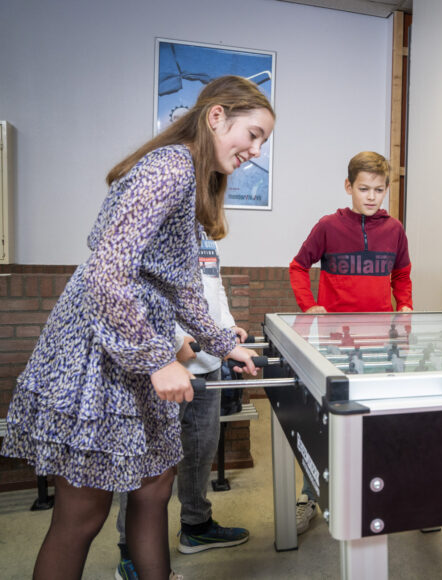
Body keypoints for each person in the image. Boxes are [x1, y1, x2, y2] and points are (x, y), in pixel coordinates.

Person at [1, 75, 273, 580]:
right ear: (217, 117)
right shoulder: (169, 166)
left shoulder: (191, 180)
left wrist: (221, 344)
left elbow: (182, 287)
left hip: (140, 347)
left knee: (153, 490)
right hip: (100, 351)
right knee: (83, 514)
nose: (256, 149)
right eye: (253, 133)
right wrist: (157, 359)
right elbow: (109, 272)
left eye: (263, 141)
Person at [289, 150, 413, 533]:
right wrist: (309, 306)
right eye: (364, 188)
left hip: (382, 346)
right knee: (323, 423)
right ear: (349, 187)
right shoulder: (328, 226)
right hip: (334, 346)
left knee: (380, 422)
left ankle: (383, 491)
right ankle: (311, 495)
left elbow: (402, 275)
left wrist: (406, 305)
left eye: (379, 189)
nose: (372, 196)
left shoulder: (395, 230)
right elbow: (298, 266)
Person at [115, 237, 251, 580]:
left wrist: (226, 329)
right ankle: (130, 553)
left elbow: (213, 288)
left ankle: (196, 525)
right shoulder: (163, 218)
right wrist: (175, 343)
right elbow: (143, 292)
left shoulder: (206, 235)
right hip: (166, 367)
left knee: (201, 451)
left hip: (206, 363)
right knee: (149, 468)